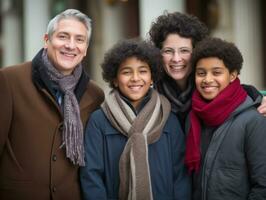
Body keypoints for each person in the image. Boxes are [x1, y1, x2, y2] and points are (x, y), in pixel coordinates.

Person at [0, 9, 104, 199]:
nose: (71, 45)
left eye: (79, 39)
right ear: (47, 40)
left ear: (86, 49)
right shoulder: (9, 80)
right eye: (63, 36)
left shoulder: (94, 94)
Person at [80, 39, 191, 200]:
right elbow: (91, 175)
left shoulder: (168, 119)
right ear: (115, 79)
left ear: (152, 77)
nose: (135, 78)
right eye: (126, 72)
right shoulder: (99, 120)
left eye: (143, 71)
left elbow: (180, 175)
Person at [148, 11, 266, 131]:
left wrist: (259, 98)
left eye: (184, 50)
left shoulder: (207, 85)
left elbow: (234, 91)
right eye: (168, 51)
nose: (176, 59)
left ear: (196, 52)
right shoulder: (150, 93)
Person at [186, 37, 266, 200]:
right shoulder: (192, 117)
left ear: (232, 75)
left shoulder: (253, 120)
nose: (207, 79)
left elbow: (263, 184)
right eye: (201, 73)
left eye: (216, 72)